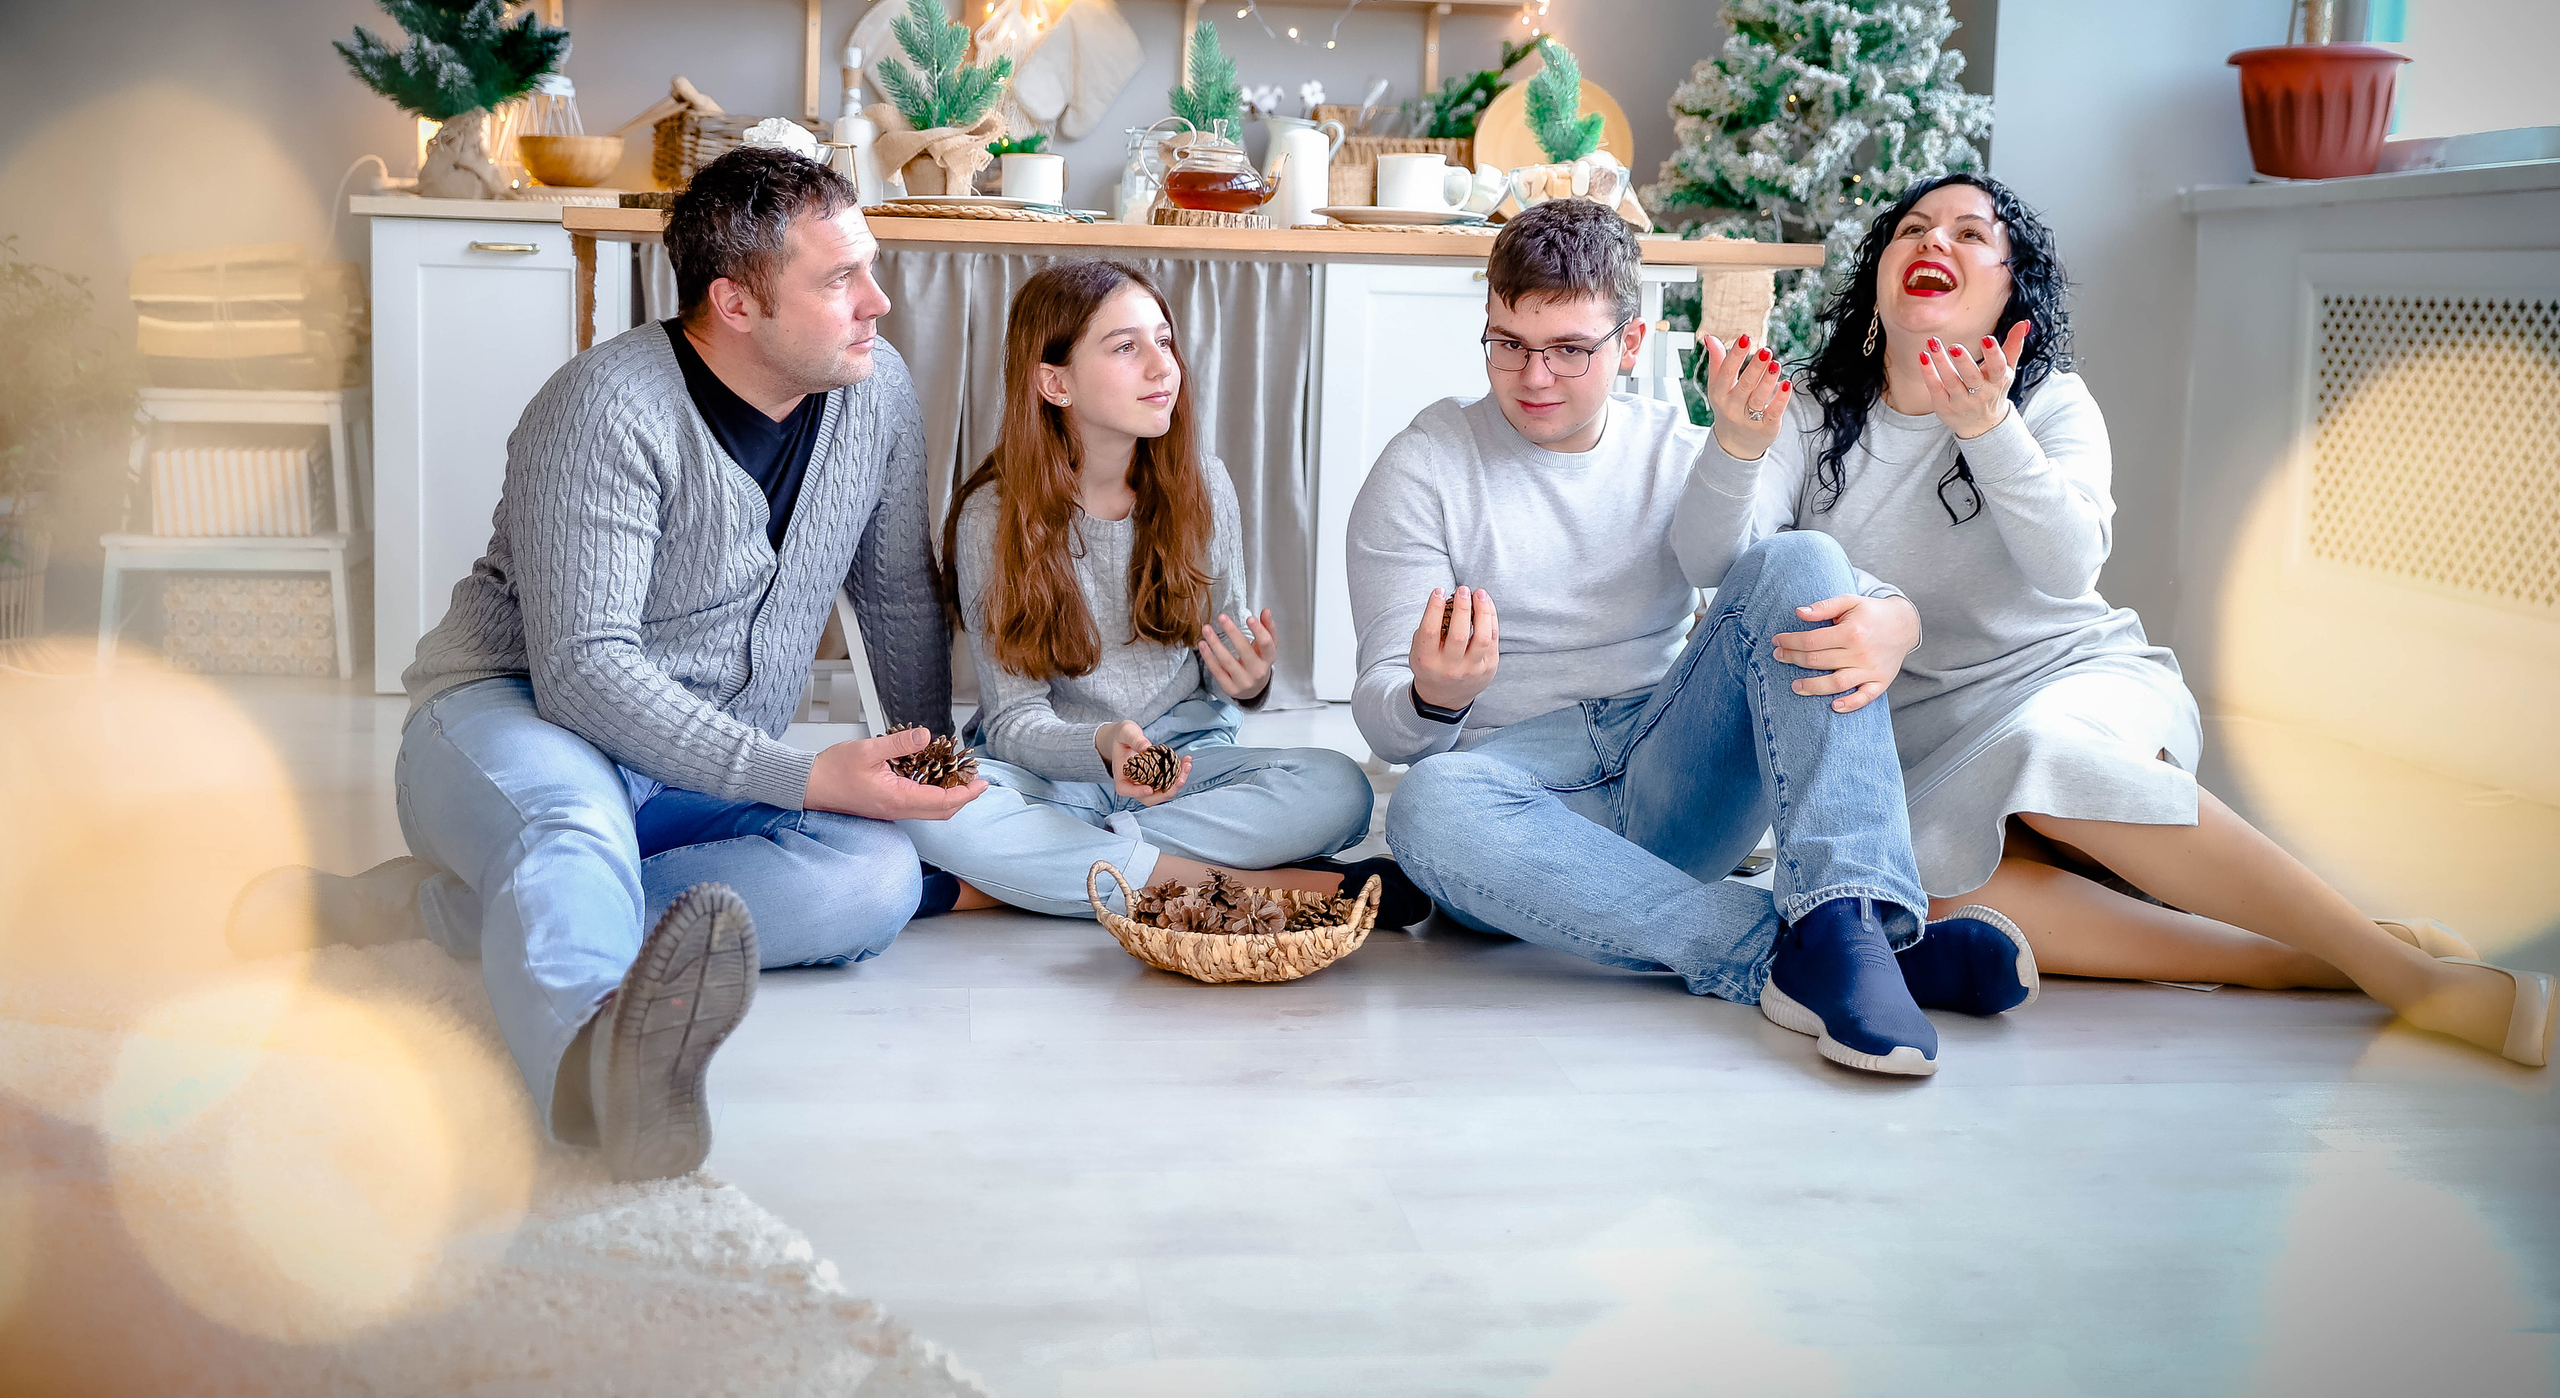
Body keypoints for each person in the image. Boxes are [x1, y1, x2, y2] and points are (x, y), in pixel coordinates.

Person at [227, 148, 992, 1179]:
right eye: (838, 279)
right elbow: (585, 673)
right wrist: (807, 775)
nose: (878, 301)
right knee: (570, 822)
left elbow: (895, 592)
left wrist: (929, 770)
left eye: (869, 267)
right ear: (735, 303)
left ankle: (435, 910)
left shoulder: (875, 392)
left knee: (871, 879)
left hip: (693, 766)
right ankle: (599, 1073)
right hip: (515, 719)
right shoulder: (604, 406)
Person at [1674, 171, 2552, 1068]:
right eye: (1914, 228)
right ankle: (2285, 960)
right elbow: (1711, 564)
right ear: (1879, 276)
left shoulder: (2049, 404)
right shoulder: (1814, 417)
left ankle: (2403, 973)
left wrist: (1987, 430)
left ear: (2011, 287)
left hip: (2065, 679)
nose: (1936, 241)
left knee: (2048, 746)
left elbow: (2068, 568)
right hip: (1916, 744)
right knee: (1899, 900)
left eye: (1972, 235)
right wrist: (1737, 447)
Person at [1351, 197, 2038, 1079]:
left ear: (1631, 346)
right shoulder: (1424, 466)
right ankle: (1826, 954)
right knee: (1425, 806)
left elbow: (1804, 584)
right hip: (1523, 812)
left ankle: (1848, 910)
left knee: (1803, 552)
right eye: (1509, 343)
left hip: (1674, 760)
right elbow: (1386, 724)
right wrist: (1432, 696)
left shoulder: (1679, 449)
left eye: (1571, 349)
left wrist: (1897, 616)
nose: (1535, 376)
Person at [912, 260, 1413, 920]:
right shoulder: (991, 518)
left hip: (1186, 770)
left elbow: (1222, 669)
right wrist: (1102, 744)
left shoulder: (1203, 484)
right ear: (1054, 381)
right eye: (1126, 347)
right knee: (933, 815)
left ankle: (1043, 878)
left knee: (1341, 788)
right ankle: (1284, 886)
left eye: (1164, 341)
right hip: (1061, 775)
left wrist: (1247, 679)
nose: (1162, 366)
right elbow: (1012, 722)